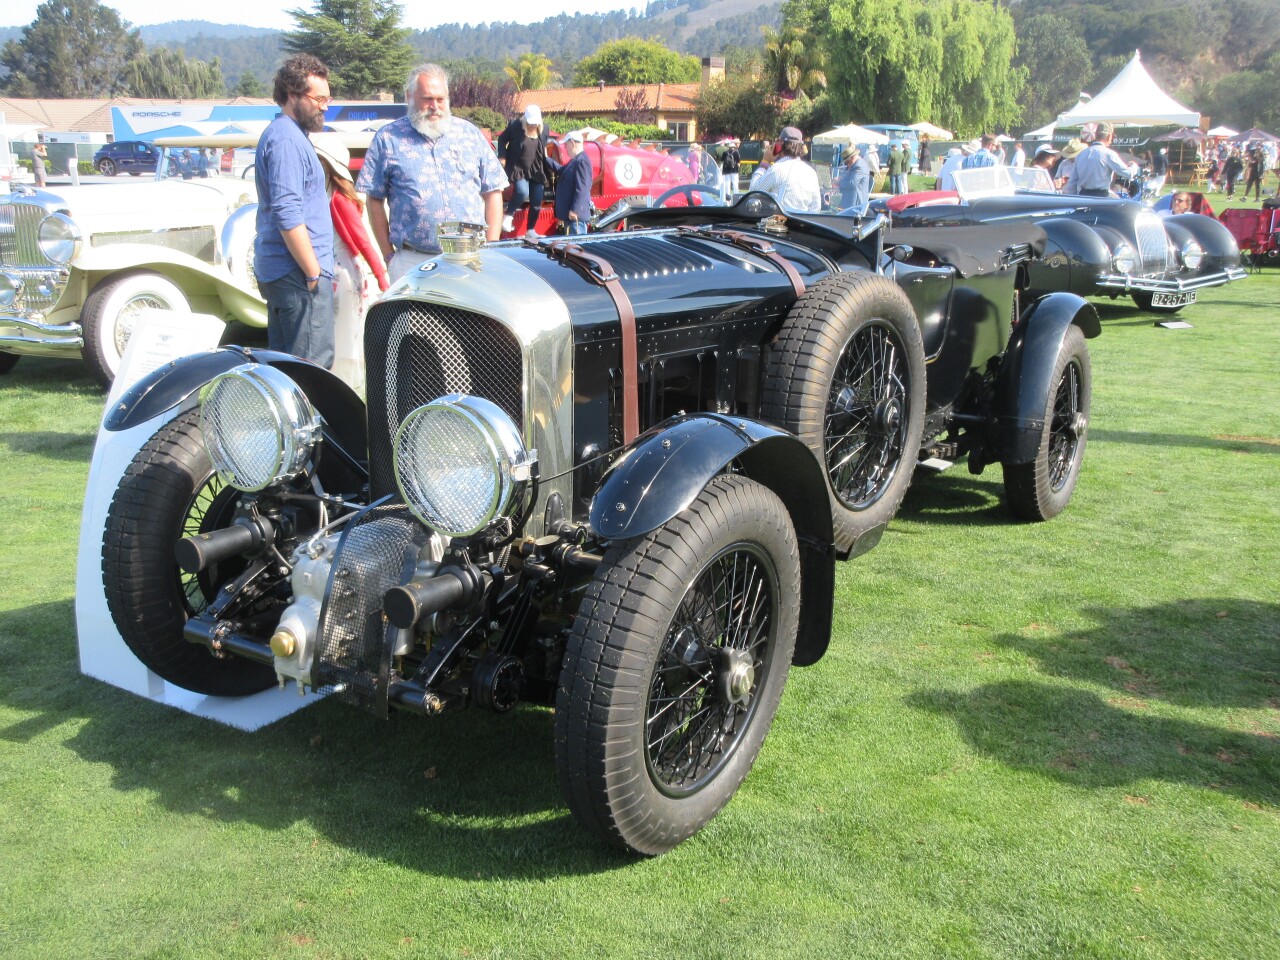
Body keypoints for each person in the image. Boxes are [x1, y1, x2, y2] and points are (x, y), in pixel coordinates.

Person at [357, 63, 508, 282]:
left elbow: (493, 191)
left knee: (468, 318)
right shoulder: (388, 139)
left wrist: (492, 246)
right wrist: (388, 255)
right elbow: (374, 199)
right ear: (409, 96)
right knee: (413, 318)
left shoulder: (469, 135)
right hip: (413, 262)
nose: (435, 106)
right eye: (427, 99)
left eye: (441, 99)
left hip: (470, 259)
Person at [254, 53, 336, 367]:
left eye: (328, 98)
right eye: (319, 99)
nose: (325, 106)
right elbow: (287, 213)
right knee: (310, 373)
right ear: (292, 95)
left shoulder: (288, 136)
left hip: (290, 275)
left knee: (288, 371)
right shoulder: (287, 140)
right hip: (297, 277)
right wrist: (313, 272)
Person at [312, 133, 388, 394]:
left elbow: (362, 240)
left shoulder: (336, 199)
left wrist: (381, 275)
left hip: (342, 272)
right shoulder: (329, 196)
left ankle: (344, 391)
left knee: (344, 336)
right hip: (339, 270)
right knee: (342, 335)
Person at [497, 104, 550, 237]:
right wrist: (502, 156)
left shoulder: (544, 130)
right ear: (525, 119)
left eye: (535, 123)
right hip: (518, 167)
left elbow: (543, 148)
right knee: (522, 191)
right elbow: (502, 139)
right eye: (531, 123)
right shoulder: (515, 126)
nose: (533, 126)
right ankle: (508, 216)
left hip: (536, 169)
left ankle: (530, 230)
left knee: (537, 201)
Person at [749, 126, 821, 212]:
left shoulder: (777, 169)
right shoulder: (811, 173)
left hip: (781, 223)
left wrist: (765, 162)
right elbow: (816, 208)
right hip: (804, 223)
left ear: (780, 144)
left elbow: (753, 193)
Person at [1066, 122, 1133, 196]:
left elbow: (1072, 183)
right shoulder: (1109, 154)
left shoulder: (1081, 155)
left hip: (1083, 196)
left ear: (1095, 135)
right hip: (1100, 197)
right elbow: (1128, 174)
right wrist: (1134, 166)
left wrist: (1075, 200)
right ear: (1109, 136)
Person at [554, 131, 593, 235]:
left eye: (566, 144)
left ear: (572, 143)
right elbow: (561, 170)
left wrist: (575, 209)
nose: (565, 148)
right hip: (573, 216)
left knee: (577, 248)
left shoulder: (581, 161)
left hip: (576, 217)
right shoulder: (576, 160)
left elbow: (582, 188)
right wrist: (545, 159)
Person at [833, 143, 871, 216]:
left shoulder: (859, 166)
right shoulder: (853, 165)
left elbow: (852, 183)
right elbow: (847, 176)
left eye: (847, 162)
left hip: (856, 203)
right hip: (848, 200)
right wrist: (840, 178)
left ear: (852, 157)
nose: (846, 164)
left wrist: (838, 182)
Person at [719, 138, 740, 202]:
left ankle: (728, 197)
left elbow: (722, 160)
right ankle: (736, 195)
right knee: (735, 183)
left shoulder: (725, 152)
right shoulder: (736, 152)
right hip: (734, 170)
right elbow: (738, 160)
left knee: (727, 184)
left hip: (727, 170)